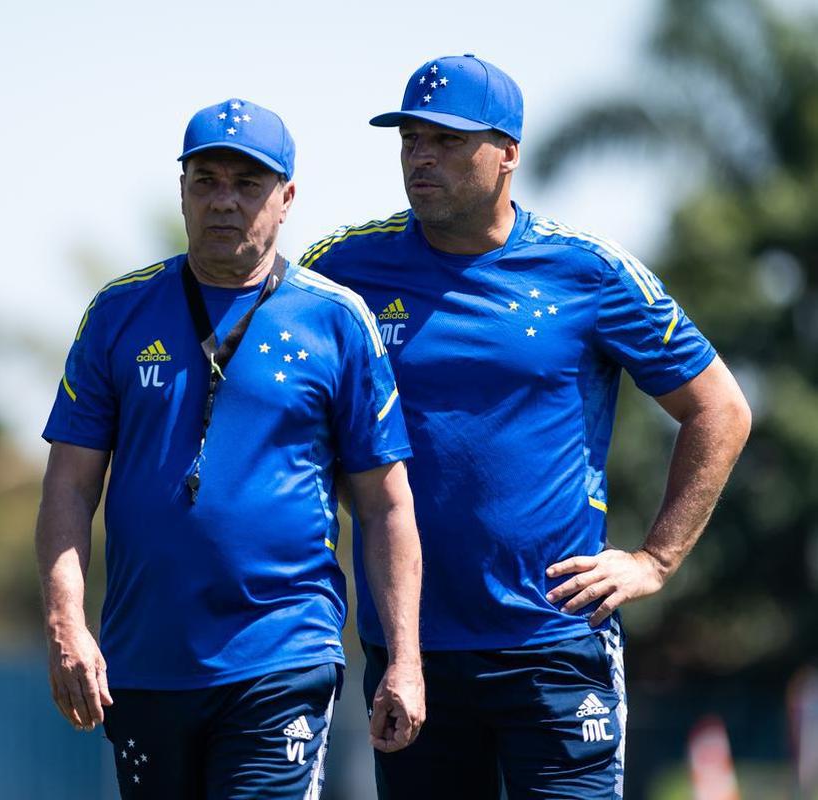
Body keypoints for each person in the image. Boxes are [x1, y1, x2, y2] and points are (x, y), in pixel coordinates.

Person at [301, 55, 752, 799]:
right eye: (411, 140)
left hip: (553, 640)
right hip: (409, 650)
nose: (421, 157)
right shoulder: (344, 267)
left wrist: (655, 560)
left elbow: (719, 408)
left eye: (447, 141)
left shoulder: (587, 272)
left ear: (507, 152)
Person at [35, 97, 426, 799]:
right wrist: (67, 624)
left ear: (286, 199)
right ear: (181, 190)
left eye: (247, 184)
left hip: (282, 653)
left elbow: (386, 506)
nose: (224, 201)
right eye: (206, 181)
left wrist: (403, 659)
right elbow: (68, 485)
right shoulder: (119, 311)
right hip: (145, 662)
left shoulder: (335, 319)